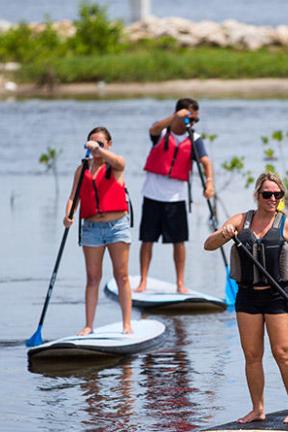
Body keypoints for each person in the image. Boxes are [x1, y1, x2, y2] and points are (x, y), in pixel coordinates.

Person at [204, 172, 288, 424]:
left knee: (282, 353)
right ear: (257, 196)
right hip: (247, 297)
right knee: (252, 355)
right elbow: (208, 244)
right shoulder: (241, 220)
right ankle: (257, 409)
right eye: (267, 194)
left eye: (277, 194)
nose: (272, 198)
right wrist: (224, 234)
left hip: (278, 297)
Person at [136, 98, 214, 294]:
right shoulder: (163, 131)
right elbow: (152, 129)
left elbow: (206, 162)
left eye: (195, 119)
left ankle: (180, 283)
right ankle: (143, 281)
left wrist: (210, 182)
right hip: (152, 195)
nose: (192, 123)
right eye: (189, 117)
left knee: (179, 242)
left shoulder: (194, 138)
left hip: (176, 198)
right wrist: (174, 117)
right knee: (147, 239)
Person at [64, 126, 133, 336]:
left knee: (121, 275)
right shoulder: (82, 169)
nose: (95, 148)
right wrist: (68, 215)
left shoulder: (115, 165)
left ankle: (127, 324)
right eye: (92, 144)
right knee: (93, 277)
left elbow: (120, 162)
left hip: (117, 226)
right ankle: (88, 325)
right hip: (92, 228)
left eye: (101, 144)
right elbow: (73, 197)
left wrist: (100, 151)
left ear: (108, 145)